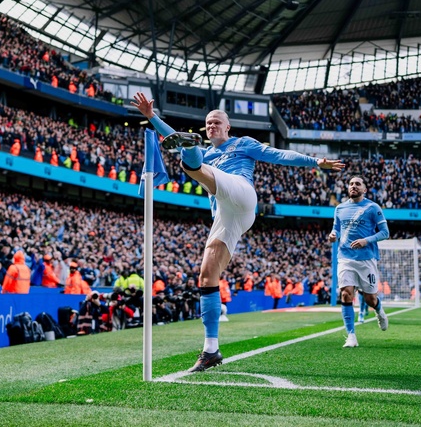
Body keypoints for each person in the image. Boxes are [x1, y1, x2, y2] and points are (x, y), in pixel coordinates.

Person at [131, 92, 344, 372]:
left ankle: (188, 152)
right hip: (225, 214)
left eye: (217, 122)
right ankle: (211, 350)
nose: (212, 126)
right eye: (208, 124)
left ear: (227, 127)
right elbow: (173, 137)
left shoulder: (242, 144)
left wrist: (314, 162)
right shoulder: (207, 153)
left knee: (190, 163)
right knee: (207, 275)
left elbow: (279, 155)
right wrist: (151, 117)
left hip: (242, 195)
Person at [328, 175, 390, 348]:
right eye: (351, 184)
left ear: (364, 189)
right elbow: (336, 229)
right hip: (345, 257)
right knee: (346, 293)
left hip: (367, 259)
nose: (353, 186)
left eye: (357, 184)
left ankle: (379, 311)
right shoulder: (340, 208)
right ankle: (351, 336)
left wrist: (366, 240)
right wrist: (333, 235)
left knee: (370, 298)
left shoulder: (372, 207)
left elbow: (385, 233)